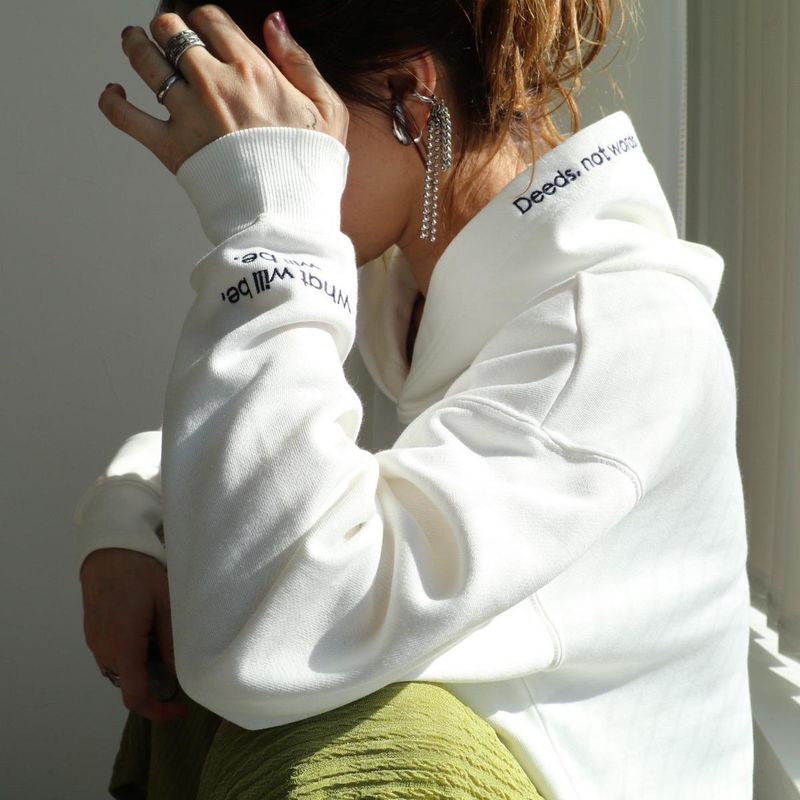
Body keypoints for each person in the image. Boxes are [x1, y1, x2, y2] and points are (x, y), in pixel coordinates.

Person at [76, 1, 754, 798]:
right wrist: (126, 524)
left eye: (278, 133)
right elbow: (274, 467)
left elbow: (270, 632)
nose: (229, 185)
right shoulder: (405, 294)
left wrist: (273, 227)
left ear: (409, 98)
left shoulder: (617, 338)